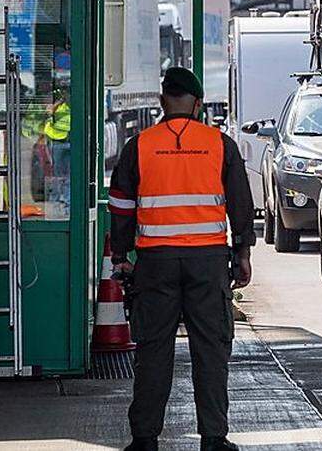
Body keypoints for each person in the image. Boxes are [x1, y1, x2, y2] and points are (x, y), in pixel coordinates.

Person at [108, 67, 256, 451]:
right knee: (210, 349)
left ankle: (144, 439)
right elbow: (240, 205)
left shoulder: (139, 145)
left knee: (153, 350)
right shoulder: (219, 144)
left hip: (155, 263)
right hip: (207, 263)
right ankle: (213, 439)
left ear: (162, 102)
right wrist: (242, 253)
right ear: (198, 104)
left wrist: (122, 256)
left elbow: (121, 206)